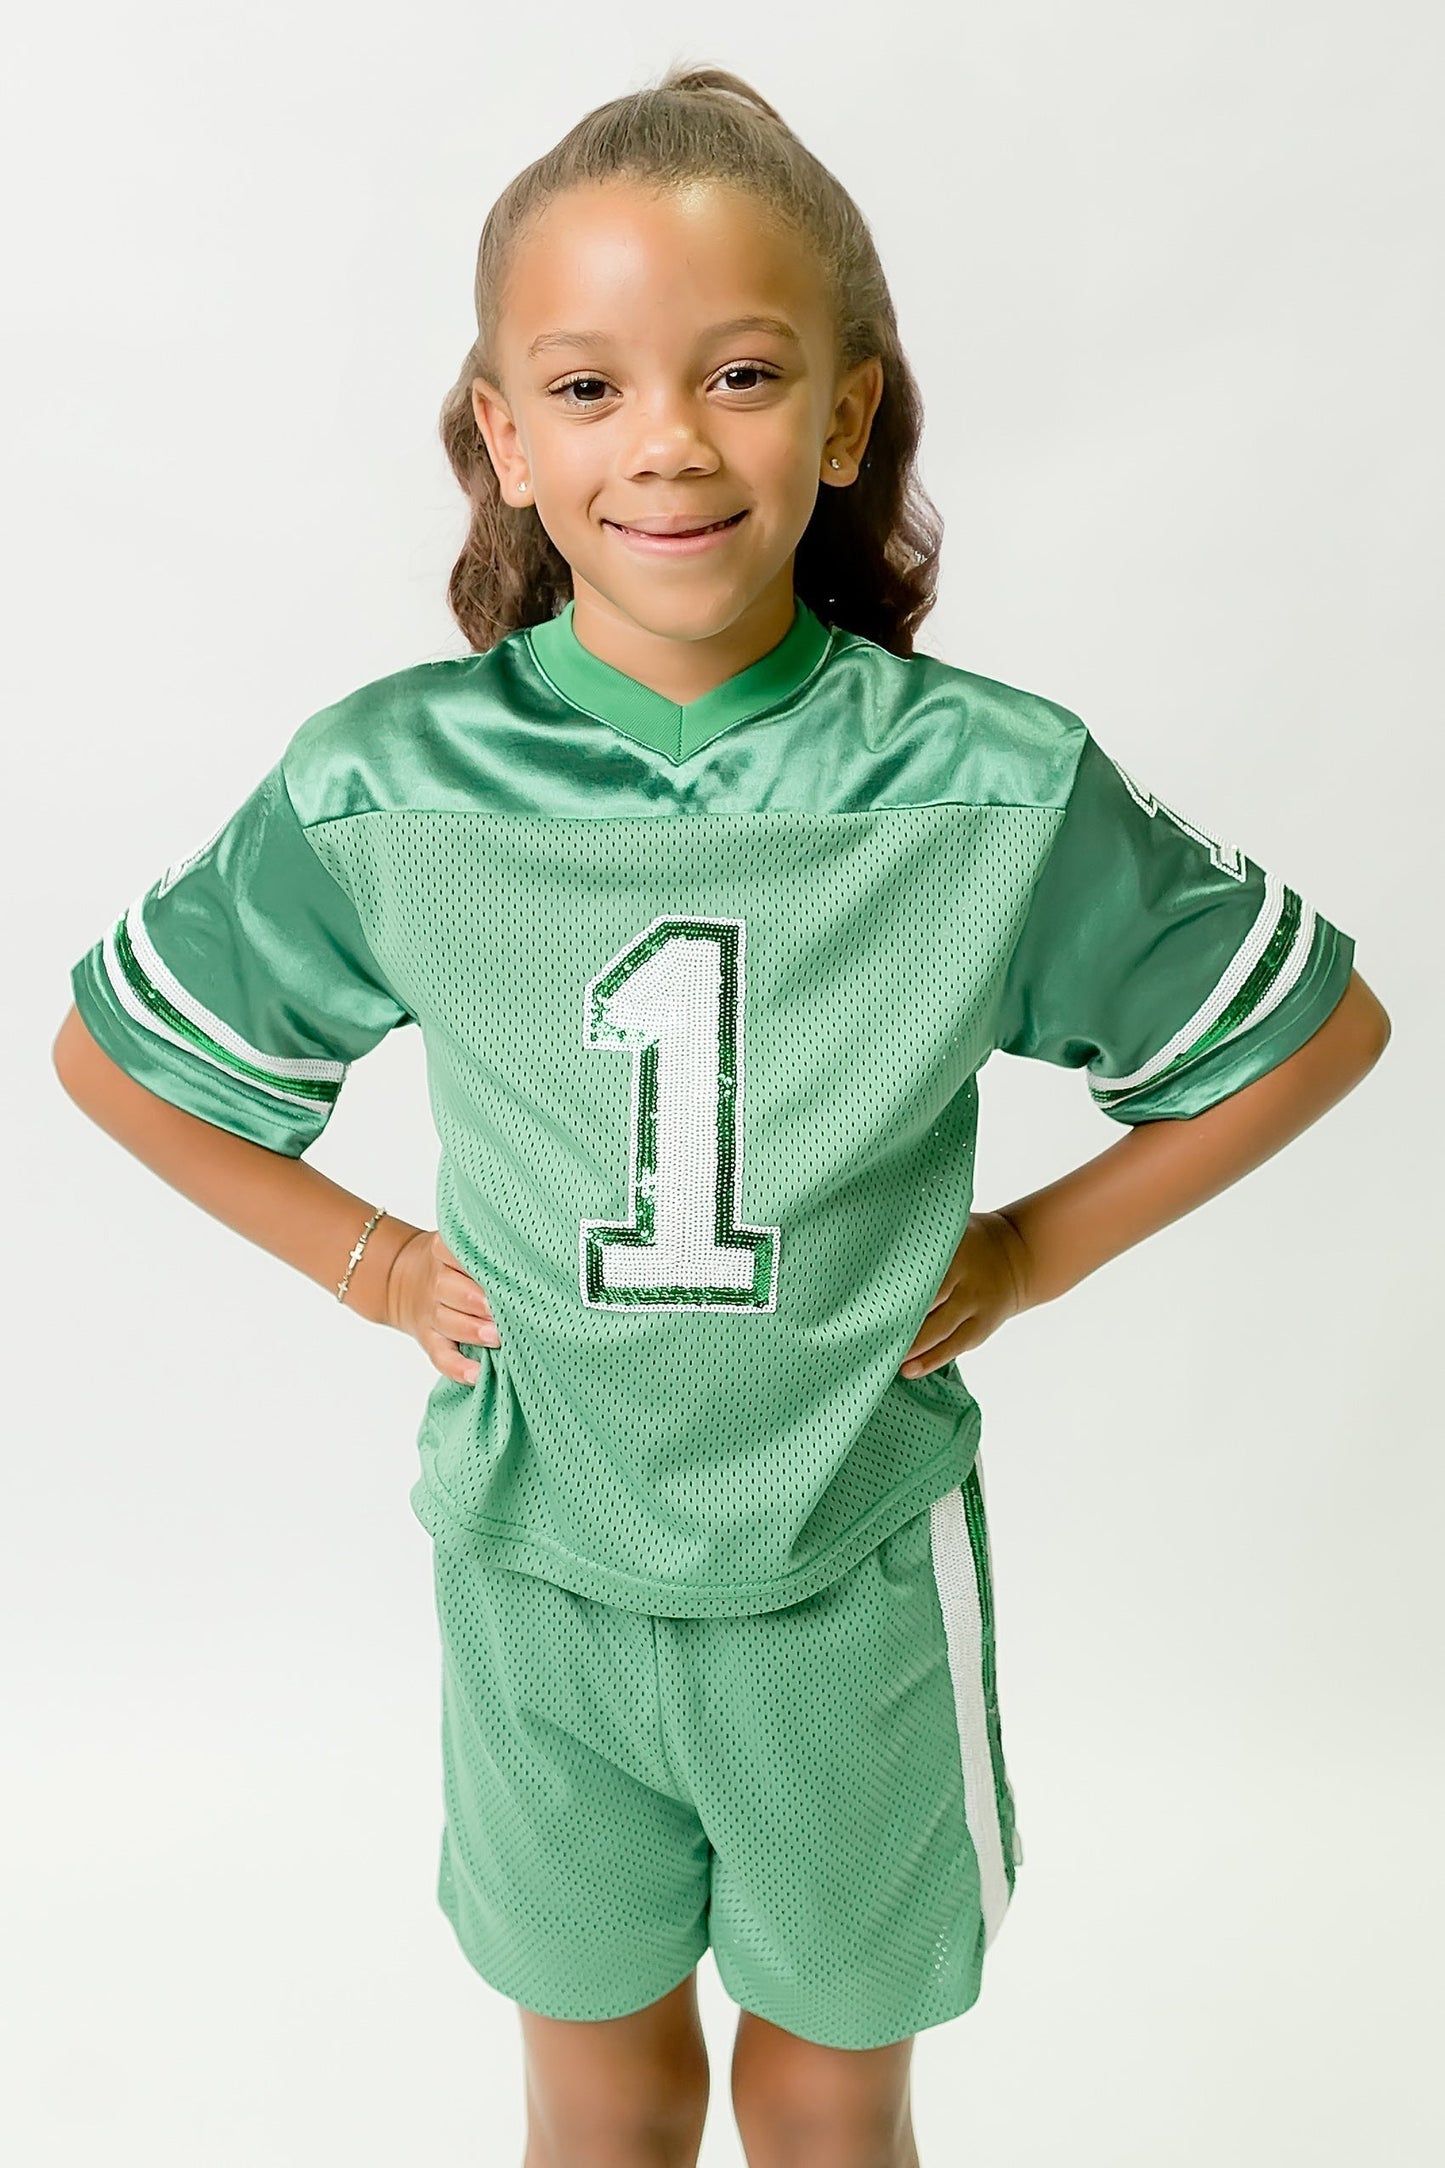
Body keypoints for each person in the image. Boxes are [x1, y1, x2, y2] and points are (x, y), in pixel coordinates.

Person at [52, 57, 1390, 2168]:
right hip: (533, 1569)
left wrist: (1035, 1248)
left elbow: (1308, 1030)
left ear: (849, 414)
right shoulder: (388, 780)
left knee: (832, 2090)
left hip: (841, 1566)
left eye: (743, 371)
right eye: (584, 388)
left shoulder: (985, 781)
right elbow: (118, 1062)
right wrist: (374, 1256)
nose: (666, 440)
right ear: (499, 433)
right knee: (593, 2089)